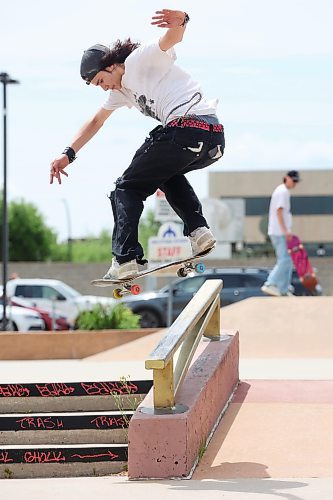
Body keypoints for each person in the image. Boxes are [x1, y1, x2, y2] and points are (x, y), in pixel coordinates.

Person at [50, 9, 225, 279]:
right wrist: (68, 153)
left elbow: (170, 39)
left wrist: (181, 20)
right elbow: (96, 121)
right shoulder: (121, 91)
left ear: (110, 66)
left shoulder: (137, 60)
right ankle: (199, 232)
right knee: (165, 172)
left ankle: (125, 258)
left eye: (100, 81)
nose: (104, 88)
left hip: (186, 128)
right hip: (212, 138)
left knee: (125, 188)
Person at [261, 170, 300, 297]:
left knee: (287, 260)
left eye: (296, 181)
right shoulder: (283, 191)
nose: (295, 183)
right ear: (286, 178)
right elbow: (279, 211)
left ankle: (283, 289)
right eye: (293, 180)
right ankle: (270, 283)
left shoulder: (281, 190)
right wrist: (286, 231)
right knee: (285, 259)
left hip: (278, 231)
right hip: (279, 232)